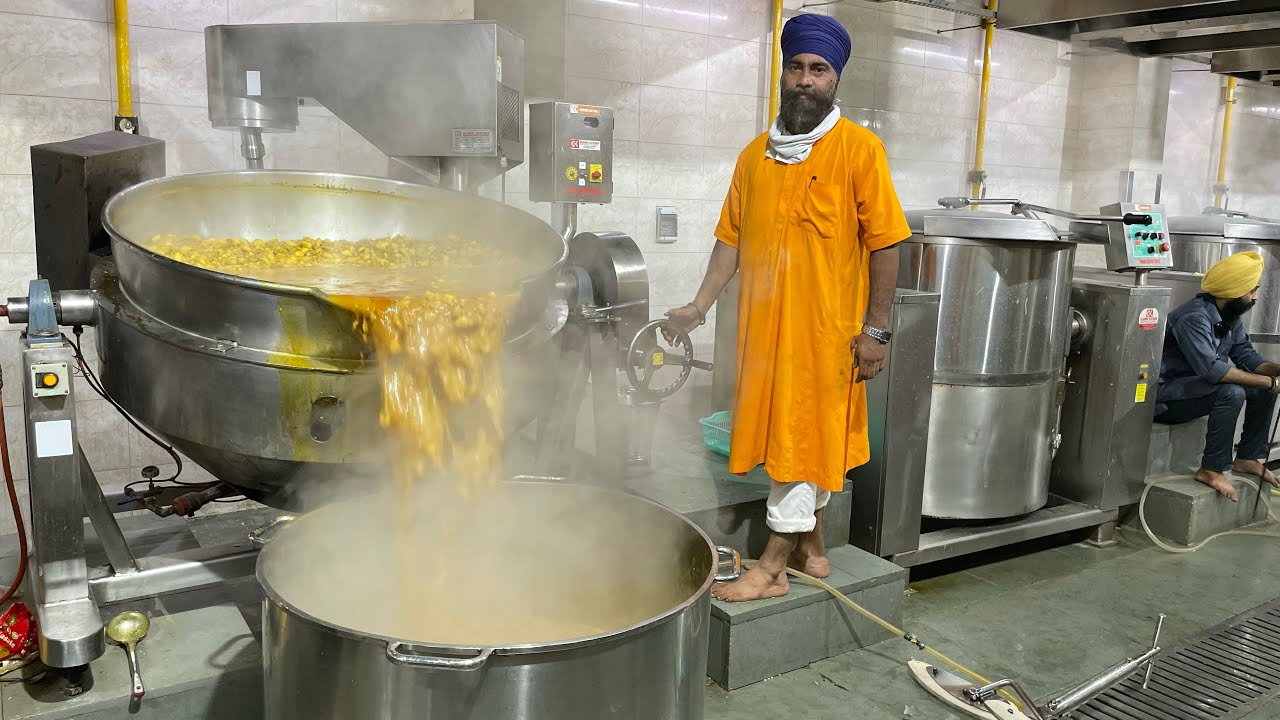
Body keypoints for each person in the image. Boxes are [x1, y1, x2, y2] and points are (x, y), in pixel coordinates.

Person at [664, 13, 910, 602]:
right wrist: (699, 306)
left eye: (817, 70)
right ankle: (814, 550)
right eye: (796, 67)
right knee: (796, 441)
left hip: (827, 337)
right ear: (785, 73)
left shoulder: (859, 150)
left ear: (835, 79)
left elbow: (886, 244)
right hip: (765, 338)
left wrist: (875, 329)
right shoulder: (756, 156)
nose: (805, 80)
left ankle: (773, 567)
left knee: (803, 441)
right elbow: (732, 240)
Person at [1155, 250, 1280, 502]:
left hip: (1198, 390)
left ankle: (1247, 457)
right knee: (1232, 391)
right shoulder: (1193, 317)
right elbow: (1212, 370)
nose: (1255, 297)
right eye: (1252, 290)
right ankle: (1211, 468)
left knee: (1260, 388)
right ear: (1234, 291)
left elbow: (1248, 358)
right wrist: (1271, 382)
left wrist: (1275, 372)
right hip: (1168, 399)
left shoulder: (1229, 316)